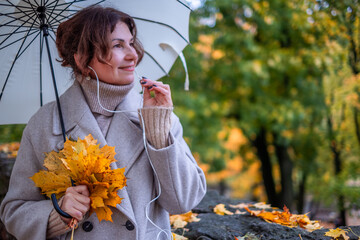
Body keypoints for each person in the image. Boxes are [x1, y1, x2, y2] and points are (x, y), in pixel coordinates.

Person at [0, 6, 206, 240]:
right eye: (118, 45)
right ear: (81, 59)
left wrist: (157, 132)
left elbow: (183, 201)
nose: (133, 55)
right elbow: (14, 212)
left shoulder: (154, 114)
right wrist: (59, 214)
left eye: (131, 43)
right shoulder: (44, 125)